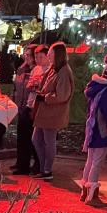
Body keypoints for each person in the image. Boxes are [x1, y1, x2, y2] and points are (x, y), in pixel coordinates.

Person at [79, 54, 107, 208]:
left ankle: (85, 191)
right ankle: (92, 195)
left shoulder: (96, 88)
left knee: (90, 161)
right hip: (103, 131)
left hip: (92, 129)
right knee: (97, 162)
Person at [32, 42, 73, 181]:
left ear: (57, 55)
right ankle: (44, 168)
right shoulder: (54, 69)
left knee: (48, 141)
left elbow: (62, 95)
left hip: (53, 113)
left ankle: (47, 169)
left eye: (50, 53)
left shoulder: (64, 71)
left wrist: (45, 97)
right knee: (37, 139)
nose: (48, 56)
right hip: (45, 111)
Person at [11, 45, 37, 175]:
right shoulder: (21, 69)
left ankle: (25, 164)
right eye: (25, 55)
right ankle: (20, 161)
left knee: (28, 137)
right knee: (20, 137)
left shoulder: (35, 71)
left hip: (28, 107)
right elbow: (16, 87)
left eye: (29, 55)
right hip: (20, 106)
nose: (26, 57)